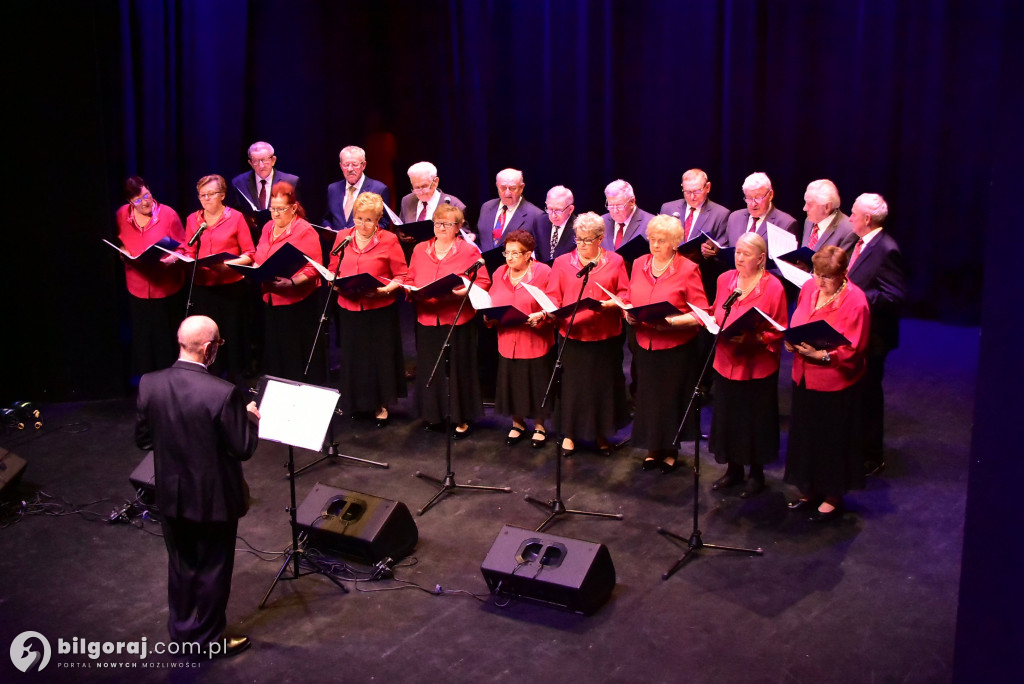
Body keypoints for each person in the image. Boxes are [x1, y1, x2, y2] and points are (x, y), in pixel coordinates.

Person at [135, 315, 259, 658]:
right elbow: (242, 448)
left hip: (172, 496)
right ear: (208, 348)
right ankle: (208, 641)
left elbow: (143, 439)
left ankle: (183, 634)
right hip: (214, 499)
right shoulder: (223, 393)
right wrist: (248, 417)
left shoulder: (150, 383)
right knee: (213, 570)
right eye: (217, 344)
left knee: (182, 565)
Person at [783, 245, 871, 522]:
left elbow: (854, 349)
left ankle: (832, 495)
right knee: (806, 436)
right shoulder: (809, 288)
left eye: (827, 277)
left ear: (843, 274)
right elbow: (798, 320)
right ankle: (808, 489)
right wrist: (791, 341)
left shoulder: (856, 301)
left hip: (834, 383)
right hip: (804, 377)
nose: (820, 281)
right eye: (817, 274)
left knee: (830, 440)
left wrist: (822, 356)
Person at [707, 233, 789, 497]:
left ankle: (756, 474)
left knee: (753, 420)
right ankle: (733, 470)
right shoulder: (724, 280)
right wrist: (710, 322)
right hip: (726, 360)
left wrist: (755, 338)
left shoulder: (773, 287)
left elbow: (779, 328)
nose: (739, 257)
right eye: (738, 252)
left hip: (756, 366)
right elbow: (716, 310)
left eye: (746, 253)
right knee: (729, 417)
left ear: (761, 258)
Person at [626, 215, 709, 473]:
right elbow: (629, 298)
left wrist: (672, 323)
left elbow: (701, 313)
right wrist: (627, 312)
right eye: (652, 240)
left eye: (662, 241)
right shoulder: (639, 263)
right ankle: (653, 448)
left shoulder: (688, 268)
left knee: (670, 399)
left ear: (675, 243)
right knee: (648, 398)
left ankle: (671, 450)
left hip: (675, 347)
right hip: (645, 342)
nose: (655, 245)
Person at [545, 212, 630, 457]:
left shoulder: (615, 261)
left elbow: (625, 293)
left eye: (587, 240)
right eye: (578, 239)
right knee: (573, 387)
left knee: (601, 387)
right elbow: (553, 294)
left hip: (605, 336)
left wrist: (612, 304)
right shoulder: (562, 262)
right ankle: (570, 433)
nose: (581, 244)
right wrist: (551, 310)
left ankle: (602, 434)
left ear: (600, 239)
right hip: (573, 335)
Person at [405, 203, 490, 437]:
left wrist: (465, 290)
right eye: (437, 223)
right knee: (430, 367)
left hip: (456, 318)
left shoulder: (468, 251)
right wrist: (411, 289)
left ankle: (460, 416)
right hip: (427, 317)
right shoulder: (420, 249)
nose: (441, 227)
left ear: (458, 227)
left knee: (457, 368)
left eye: (447, 224)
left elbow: (482, 281)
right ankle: (432, 414)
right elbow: (410, 277)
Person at [326, 192, 407, 427]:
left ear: (378, 220)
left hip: (379, 307)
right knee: (354, 356)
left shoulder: (389, 239)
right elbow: (333, 269)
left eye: (369, 220)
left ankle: (381, 404)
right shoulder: (342, 237)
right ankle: (357, 402)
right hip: (350, 306)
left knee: (377, 357)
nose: (363, 224)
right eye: (359, 218)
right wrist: (336, 283)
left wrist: (384, 290)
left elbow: (401, 275)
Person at [846, 193, 906, 475]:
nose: (850, 217)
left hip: (875, 338)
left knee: (869, 395)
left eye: (854, 213)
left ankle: (872, 455)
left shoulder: (887, 249)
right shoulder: (858, 243)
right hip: (855, 333)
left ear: (867, 219)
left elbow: (893, 296)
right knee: (856, 394)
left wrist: (852, 295)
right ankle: (855, 445)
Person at [181, 174, 256, 384]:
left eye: (211, 194)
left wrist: (228, 265)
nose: (205, 199)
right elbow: (189, 251)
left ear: (222, 195)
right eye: (202, 195)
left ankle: (234, 380)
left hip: (231, 287)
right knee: (206, 337)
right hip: (204, 287)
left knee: (231, 334)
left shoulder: (236, 218)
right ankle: (210, 378)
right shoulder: (192, 220)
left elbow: (250, 253)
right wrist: (188, 260)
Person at [483, 229, 554, 448]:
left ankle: (540, 426)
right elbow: (492, 301)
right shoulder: (499, 273)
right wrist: (488, 315)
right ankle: (518, 423)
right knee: (513, 383)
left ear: (528, 254)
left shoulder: (543, 272)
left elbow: (552, 305)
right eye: (507, 252)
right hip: (507, 338)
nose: (510, 257)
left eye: (516, 253)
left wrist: (540, 316)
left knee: (536, 383)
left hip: (534, 339)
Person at [113, 176, 186, 379]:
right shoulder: (121, 215)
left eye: (147, 195)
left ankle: (169, 385)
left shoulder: (168, 214)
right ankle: (147, 386)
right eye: (138, 200)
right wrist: (122, 251)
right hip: (137, 286)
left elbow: (184, 246)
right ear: (130, 202)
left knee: (165, 341)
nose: (145, 202)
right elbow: (120, 241)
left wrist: (172, 259)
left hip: (165, 287)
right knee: (143, 341)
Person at [252, 181, 324, 383]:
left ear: (293, 208)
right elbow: (259, 255)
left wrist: (292, 282)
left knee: (294, 353)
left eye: (281, 209)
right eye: (272, 209)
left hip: (297, 303)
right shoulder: (267, 227)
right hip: (271, 300)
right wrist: (256, 270)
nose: (275, 214)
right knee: (275, 352)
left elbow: (314, 267)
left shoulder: (304, 230)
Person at [707, 172, 799, 252]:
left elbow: (784, 266)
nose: (753, 204)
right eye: (749, 198)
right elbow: (725, 250)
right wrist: (712, 249)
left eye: (758, 198)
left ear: (770, 195)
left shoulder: (785, 224)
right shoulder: (734, 217)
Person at [323, 145, 392, 231]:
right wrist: (327, 227)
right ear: (341, 166)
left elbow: (384, 224)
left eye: (355, 165)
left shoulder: (379, 189)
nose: (350, 169)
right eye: (346, 165)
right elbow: (327, 218)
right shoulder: (333, 189)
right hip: (337, 243)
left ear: (363, 165)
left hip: (364, 243)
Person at [476, 168, 544, 252]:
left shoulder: (535, 215)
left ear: (521, 188)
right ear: (497, 186)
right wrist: (474, 237)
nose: (507, 193)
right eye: (503, 188)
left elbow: (539, 251)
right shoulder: (486, 207)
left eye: (512, 188)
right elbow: (483, 237)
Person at [231, 141, 301, 216]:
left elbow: (298, 213)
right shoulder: (239, 182)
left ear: (273, 160)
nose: (261, 165)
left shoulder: (291, 181)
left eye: (265, 160)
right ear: (250, 163)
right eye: (256, 161)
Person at [398, 161, 467, 223]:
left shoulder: (455, 205)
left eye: (424, 187)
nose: (421, 192)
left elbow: (463, 235)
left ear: (436, 182)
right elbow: (400, 230)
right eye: (416, 188)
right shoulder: (407, 201)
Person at [801, 179, 857, 252]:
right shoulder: (809, 221)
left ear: (827, 207)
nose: (804, 208)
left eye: (810, 204)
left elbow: (841, 263)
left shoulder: (848, 231)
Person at [600, 179, 654, 253]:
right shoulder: (601, 222)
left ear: (632, 202)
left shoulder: (651, 223)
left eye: (619, 206)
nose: (615, 211)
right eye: (611, 206)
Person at [532, 185, 577, 263]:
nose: (553, 215)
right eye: (549, 209)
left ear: (570, 209)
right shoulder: (539, 222)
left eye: (558, 210)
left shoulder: (578, 228)